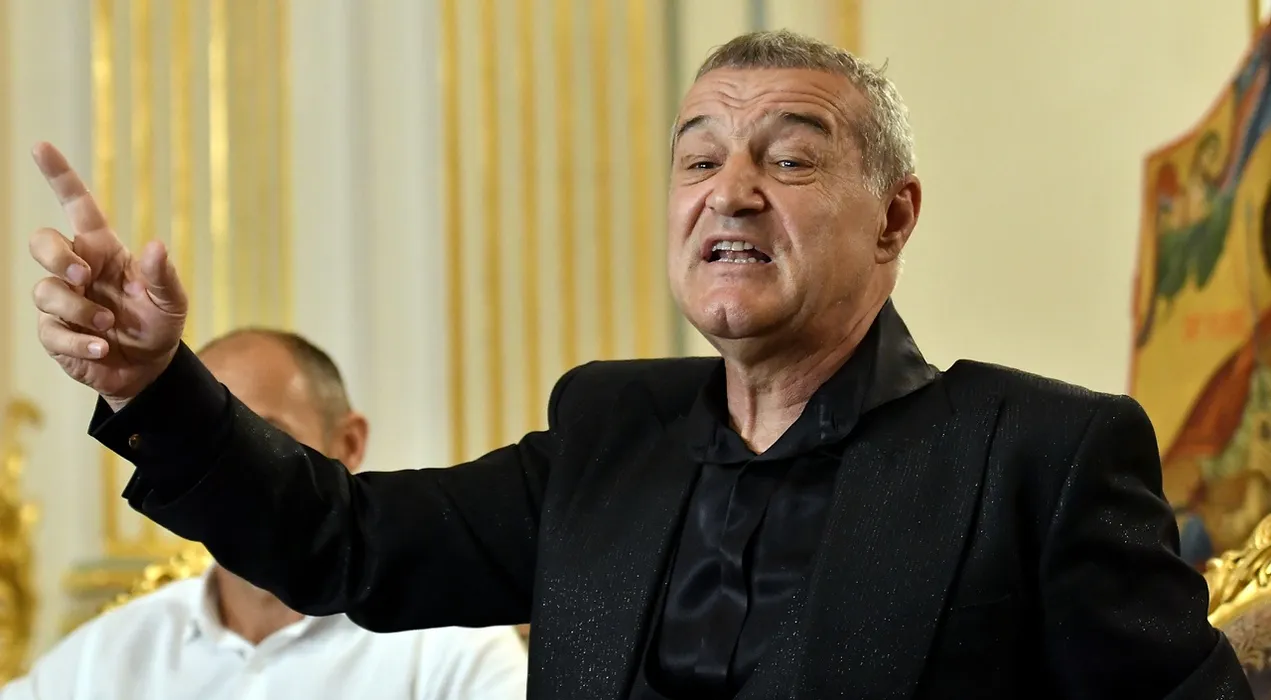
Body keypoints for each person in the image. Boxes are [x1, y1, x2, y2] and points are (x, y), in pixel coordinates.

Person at [24, 29, 1250, 700]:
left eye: (789, 156)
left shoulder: (1034, 454)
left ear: (893, 218)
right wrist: (153, 381)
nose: (730, 189)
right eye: (698, 157)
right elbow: (341, 541)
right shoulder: (608, 430)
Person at [0, 330, 528, 700]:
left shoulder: (455, 651)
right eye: (208, 446)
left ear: (348, 442)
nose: (233, 474)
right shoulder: (107, 651)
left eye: (267, 438)